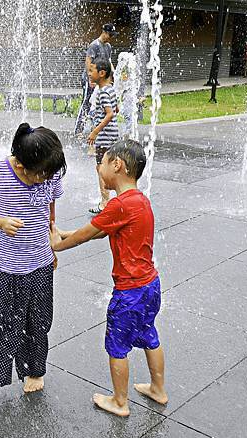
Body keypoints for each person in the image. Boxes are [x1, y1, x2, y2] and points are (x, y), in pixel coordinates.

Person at [50, 139, 167, 417]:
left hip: (129, 292)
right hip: (150, 285)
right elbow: (103, 230)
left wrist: (58, 245)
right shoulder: (139, 201)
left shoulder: (119, 205)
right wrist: (66, 233)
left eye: (102, 162)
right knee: (149, 334)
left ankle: (119, 401)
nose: (99, 167)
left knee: (117, 345)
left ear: (118, 165)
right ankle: (158, 390)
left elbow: (89, 234)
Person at [0, 123, 67, 415]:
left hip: (39, 263)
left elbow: (49, 206)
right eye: (42, 175)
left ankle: (33, 370)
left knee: (38, 322)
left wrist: (52, 241)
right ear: (23, 166)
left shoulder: (48, 172)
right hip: (6, 266)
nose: (47, 180)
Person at [87, 59, 119, 214]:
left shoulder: (103, 92)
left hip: (104, 138)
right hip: (113, 135)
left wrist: (95, 131)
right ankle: (119, 198)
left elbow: (110, 113)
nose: (89, 73)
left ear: (101, 73)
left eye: (91, 70)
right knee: (112, 168)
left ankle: (104, 203)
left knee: (101, 168)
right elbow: (116, 109)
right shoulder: (111, 89)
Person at [74, 23, 117, 135]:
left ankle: (95, 128)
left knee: (97, 103)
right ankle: (78, 130)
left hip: (100, 79)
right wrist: (90, 79)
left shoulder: (108, 46)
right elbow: (88, 62)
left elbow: (108, 61)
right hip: (91, 78)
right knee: (87, 102)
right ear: (104, 32)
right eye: (110, 35)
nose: (111, 38)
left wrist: (114, 74)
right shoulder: (94, 45)